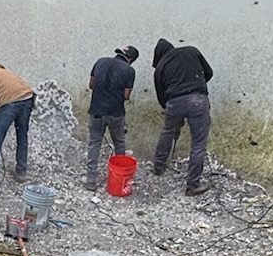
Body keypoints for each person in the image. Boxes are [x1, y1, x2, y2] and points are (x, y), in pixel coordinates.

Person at [151, 38, 213, 194]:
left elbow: (161, 98)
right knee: (198, 143)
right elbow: (209, 73)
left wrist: (174, 111)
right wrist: (196, 86)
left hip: (174, 102)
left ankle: (158, 167)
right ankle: (192, 185)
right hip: (197, 100)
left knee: (167, 132)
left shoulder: (160, 67)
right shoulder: (191, 51)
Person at [83, 45, 138, 190]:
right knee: (119, 143)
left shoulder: (100, 61)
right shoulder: (129, 70)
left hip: (96, 111)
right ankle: (118, 179)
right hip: (116, 113)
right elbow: (126, 96)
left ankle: (91, 180)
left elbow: (91, 85)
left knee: (94, 143)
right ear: (131, 60)